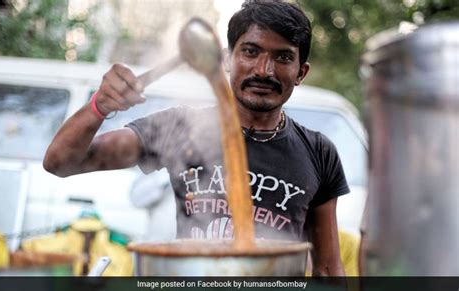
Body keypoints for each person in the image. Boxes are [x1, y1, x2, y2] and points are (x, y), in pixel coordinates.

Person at [44, 0, 349, 276]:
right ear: (228, 59)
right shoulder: (179, 127)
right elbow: (61, 162)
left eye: (283, 57)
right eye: (251, 51)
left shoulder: (318, 151)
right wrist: (100, 105)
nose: (264, 70)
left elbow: (327, 266)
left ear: (301, 72)